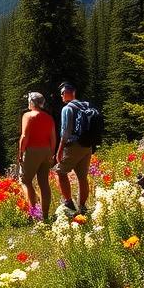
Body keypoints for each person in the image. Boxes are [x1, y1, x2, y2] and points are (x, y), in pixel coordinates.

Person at [17, 91, 56, 221]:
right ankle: (44, 215)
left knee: (26, 181)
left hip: (32, 151)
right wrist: (51, 153)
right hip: (46, 151)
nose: (28, 103)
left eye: (29, 101)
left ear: (33, 103)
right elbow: (53, 137)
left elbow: (24, 136)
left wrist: (21, 153)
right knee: (44, 183)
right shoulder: (48, 117)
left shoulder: (27, 116)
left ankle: (33, 213)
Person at [54, 81, 92, 215]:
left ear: (69, 92)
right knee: (82, 177)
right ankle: (82, 207)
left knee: (60, 171)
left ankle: (69, 202)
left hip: (73, 145)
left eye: (62, 93)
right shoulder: (86, 106)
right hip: (87, 145)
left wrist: (59, 151)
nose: (61, 96)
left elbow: (65, 132)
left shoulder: (67, 108)